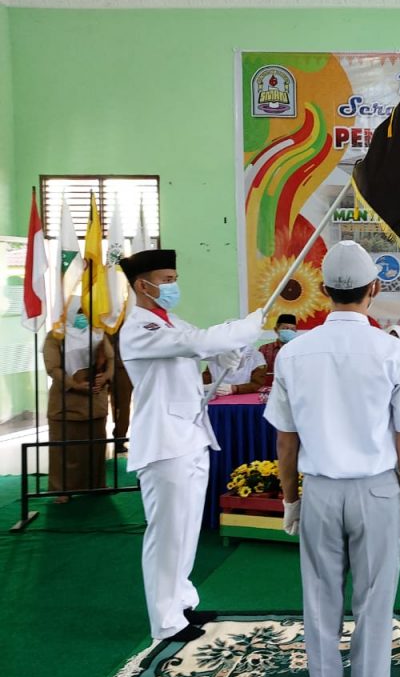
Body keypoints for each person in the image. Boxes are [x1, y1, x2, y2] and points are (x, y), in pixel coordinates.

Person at [264, 240, 400, 677]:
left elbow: (286, 441)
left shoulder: (294, 354)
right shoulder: (394, 353)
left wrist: (291, 499)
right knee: (374, 613)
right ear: (374, 289)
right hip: (377, 492)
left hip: (319, 490)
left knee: (320, 611)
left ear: (323, 290)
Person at [118, 249, 264, 643]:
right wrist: (245, 327)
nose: (173, 286)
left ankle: (181, 604)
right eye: (166, 280)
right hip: (164, 443)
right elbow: (195, 343)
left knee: (185, 529)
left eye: (174, 278)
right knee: (167, 533)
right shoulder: (140, 328)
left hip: (191, 435)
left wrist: (227, 355)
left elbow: (196, 355)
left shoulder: (173, 322)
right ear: (142, 285)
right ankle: (165, 621)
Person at [43, 305, 114, 502]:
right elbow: (53, 368)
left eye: (86, 313)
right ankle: (62, 490)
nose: (83, 317)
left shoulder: (97, 333)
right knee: (64, 448)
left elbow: (110, 358)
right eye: (79, 313)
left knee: (96, 446)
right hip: (66, 401)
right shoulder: (55, 336)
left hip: (95, 399)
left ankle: (97, 484)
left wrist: (106, 376)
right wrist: (74, 385)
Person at [202, 344, 267, 395]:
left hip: (245, 399)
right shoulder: (217, 357)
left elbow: (257, 385)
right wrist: (206, 387)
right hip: (218, 399)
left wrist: (235, 389)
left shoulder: (255, 357)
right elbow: (205, 381)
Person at [259, 313, 298, 385]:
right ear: (276, 330)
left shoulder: (299, 350)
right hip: (269, 388)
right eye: (285, 328)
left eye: (292, 329)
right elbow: (257, 374)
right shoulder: (264, 349)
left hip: (294, 388)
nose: (289, 331)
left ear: (295, 331)